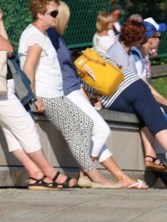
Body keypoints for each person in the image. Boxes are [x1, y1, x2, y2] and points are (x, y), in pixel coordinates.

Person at [47, 1, 146, 189]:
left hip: (74, 88)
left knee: (95, 134)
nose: (67, 22)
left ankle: (120, 177)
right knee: (101, 130)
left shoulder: (56, 36)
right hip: (67, 91)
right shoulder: (50, 36)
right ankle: (85, 172)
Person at [20, 0, 117, 188]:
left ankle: (85, 173)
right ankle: (95, 177)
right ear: (40, 15)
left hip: (56, 94)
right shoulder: (35, 36)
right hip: (46, 95)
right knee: (73, 132)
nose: (57, 17)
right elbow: (28, 68)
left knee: (86, 124)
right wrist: (33, 97)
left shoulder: (42, 34)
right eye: (53, 14)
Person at [0, 0, 65, 190]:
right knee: (25, 125)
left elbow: (6, 50)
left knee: (11, 132)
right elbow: (9, 48)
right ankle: (49, 172)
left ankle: (35, 174)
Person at [104, 19, 167, 176]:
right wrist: (165, 102)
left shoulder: (125, 51)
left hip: (120, 96)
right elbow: (131, 83)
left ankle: (152, 157)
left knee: (147, 113)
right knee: (155, 113)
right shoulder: (121, 53)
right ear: (138, 39)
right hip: (117, 97)